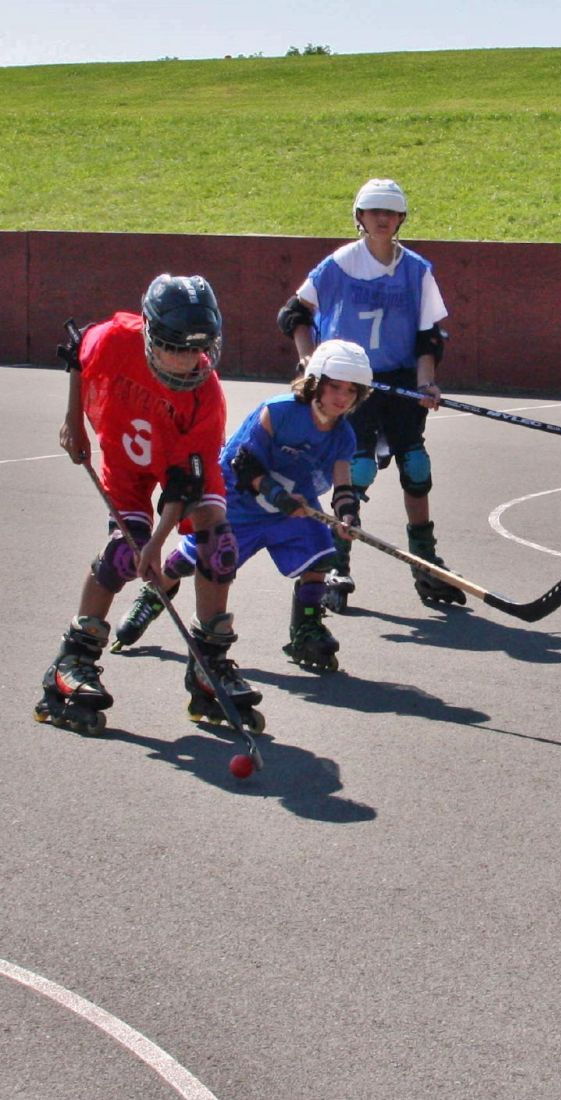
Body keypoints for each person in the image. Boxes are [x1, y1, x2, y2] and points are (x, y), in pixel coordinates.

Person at [36, 274, 262, 735]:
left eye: (198, 349)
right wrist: (72, 422)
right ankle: (71, 664)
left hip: (178, 464)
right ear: (150, 335)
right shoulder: (115, 339)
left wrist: (158, 545)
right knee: (123, 553)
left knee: (217, 543)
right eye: (175, 348)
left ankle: (209, 665)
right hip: (126, 458)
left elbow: (183, 487)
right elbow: (78, 352)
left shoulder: (206, 395)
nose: (187, 362)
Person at [114, 340, 371, 673]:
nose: (342, 397)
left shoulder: (344, 435)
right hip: (240, 502)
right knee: (192, 559)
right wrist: (277, 495)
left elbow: (343, 485)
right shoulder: (279, 411)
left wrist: (347, 516)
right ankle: (153, 596)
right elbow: (242, 463)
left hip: (290, 510)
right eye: (335, 386)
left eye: (352, 391)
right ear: (316, 382)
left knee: (321, 552)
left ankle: (306, 628)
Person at [275, 177, 461, 612]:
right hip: (348, 383)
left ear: (401, 220)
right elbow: (294, 313)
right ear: (359, 217)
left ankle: (425, 561)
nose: (383, 219)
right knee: (355, 471)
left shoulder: (417, 269)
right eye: (374, 212)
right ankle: (337, 562)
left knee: (415, 465)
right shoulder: (338, 265)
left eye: (391, 213)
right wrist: (308, 361)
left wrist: (426, 383)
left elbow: (428, 336)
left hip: (397, 380)